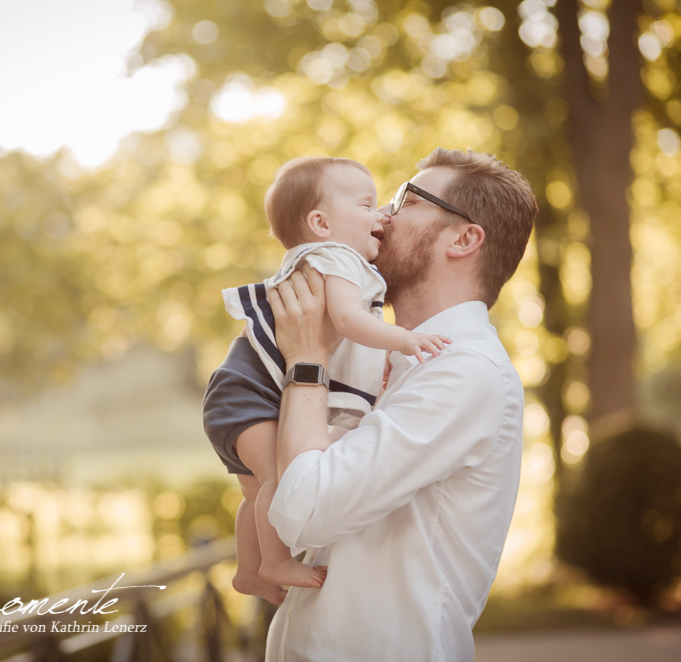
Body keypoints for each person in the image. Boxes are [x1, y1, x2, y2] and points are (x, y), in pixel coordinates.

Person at [265, 148, 537, 661]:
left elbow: (307, 511)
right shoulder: (380, 360)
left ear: (463, 238)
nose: (382, 215)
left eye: (405, 200)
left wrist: (305, 361)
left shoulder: (465, 372)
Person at [202, 157, 450, 605]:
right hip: (252, 395)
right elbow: (348, 319)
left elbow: (343, 345)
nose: (381, 215)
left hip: (239, 395)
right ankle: (274, 563)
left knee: (257, 488)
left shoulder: (323, 258)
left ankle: (248, 572)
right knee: (278, 476)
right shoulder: (335, 257)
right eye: (367, 204)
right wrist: (405, 339)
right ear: (321, 222)